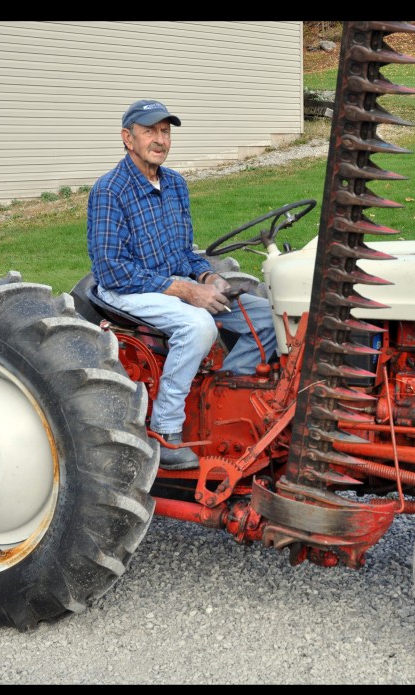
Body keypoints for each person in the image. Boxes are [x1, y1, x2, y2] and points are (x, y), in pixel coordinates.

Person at [87, 99, 278, 470]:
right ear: (128, 139)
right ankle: (166, 432)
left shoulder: (174, 184)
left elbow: (183, 254)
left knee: (268, 318)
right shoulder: (109, 191)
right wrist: (189, 291)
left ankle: (220, 396)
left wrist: (208, 277)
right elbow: (111, 270)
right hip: (127, 290)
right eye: (149, 132)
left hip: (171, 282)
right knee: (198, 325)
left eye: (165, 131)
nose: (159, 140)